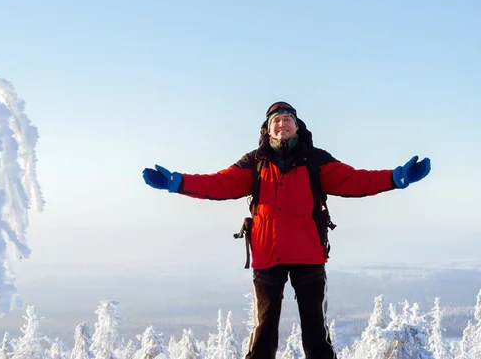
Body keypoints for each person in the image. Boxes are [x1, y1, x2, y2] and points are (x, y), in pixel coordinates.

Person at [142, 101, 431, 359]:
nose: (282, 124)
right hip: (268, 255)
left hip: (308, 254)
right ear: (267, 130)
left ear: (297, 126)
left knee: (316, 332)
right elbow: (219, 184)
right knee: (264, 332)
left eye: (287, 119)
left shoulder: (315, 160)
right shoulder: (255, 161)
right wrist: (178, 183)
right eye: (275, 121)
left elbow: (354, 180)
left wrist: (396, 177)